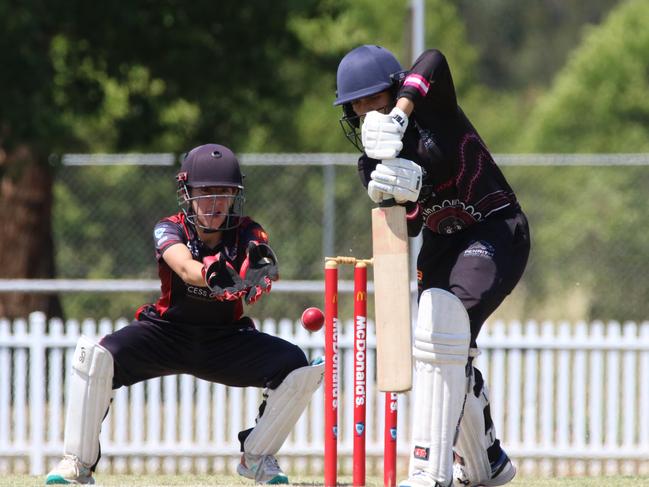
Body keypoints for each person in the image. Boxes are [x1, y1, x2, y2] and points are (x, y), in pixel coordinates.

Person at [45, 143, 324, 485]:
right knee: (96, 358)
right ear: (187, 194)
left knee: (296, 366)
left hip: (225, 339)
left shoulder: (248, 229)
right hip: (165, 334)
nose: (215, 203)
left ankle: (256, 458)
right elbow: (183, 265)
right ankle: (77, 464)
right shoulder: (169, 228)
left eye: (224, 193)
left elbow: (260, 254)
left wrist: (259, 269)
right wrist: (211, 274)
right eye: (204, 193)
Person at [334, 45, 530, 487]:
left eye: (372, 100)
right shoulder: (371, 163)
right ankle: (488, 463)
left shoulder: (432, 110)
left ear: (393, 90)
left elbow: (436, 59)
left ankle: (428, 471)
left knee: (441, 323)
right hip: (442, 247)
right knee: (440, 343)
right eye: (356, 106)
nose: (365, 113)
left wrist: (401, 112)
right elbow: (414, 223)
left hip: (495, 227)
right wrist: (396, 194)